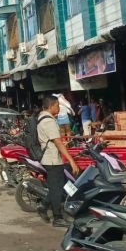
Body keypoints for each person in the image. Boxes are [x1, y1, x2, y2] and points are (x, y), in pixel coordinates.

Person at [36, 96, 81, 228]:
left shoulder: (42, 118)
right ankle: (58, 217)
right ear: (51, 106)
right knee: (57, 190)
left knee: (58, 186)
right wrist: (71, 161)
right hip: (52, 160)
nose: (59, 108)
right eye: (57, 106)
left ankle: (43, 206)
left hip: (51, 159)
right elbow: (58, 143)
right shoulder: (48, 121)